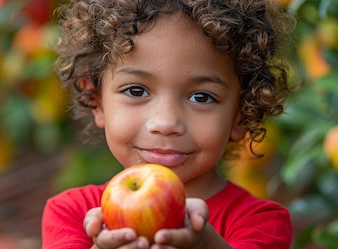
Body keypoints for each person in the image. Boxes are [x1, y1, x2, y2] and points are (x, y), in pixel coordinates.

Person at [42, 0, 295, 248]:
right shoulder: (71, 213)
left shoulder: (261, 223)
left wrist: (205, 244)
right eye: (136, 91)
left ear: (240, 115)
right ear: (97, 101)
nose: (165, 123)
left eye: (201, 97)